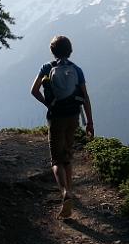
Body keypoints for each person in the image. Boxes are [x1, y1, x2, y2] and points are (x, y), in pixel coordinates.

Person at [30, 35, 94, 218]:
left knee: (56, 160)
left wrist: (49, 104)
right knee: (67, 156)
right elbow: (85, 97)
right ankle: (70, 191)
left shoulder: (47, 68)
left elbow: (33, 91)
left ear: (52, 51)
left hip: (56, 117)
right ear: (70, 50)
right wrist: (89, 122)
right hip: (74, 117)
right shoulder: (77, 70)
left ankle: (65, 193)